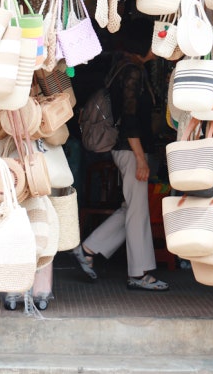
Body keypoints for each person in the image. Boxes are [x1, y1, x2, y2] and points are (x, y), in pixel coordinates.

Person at [72, 16, 168, 291]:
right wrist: (140, 158)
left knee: (131, 208)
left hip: (127, 150)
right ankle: (139, 274)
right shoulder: (132, 73)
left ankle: (89, 248)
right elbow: (129, 121)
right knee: (137, 212)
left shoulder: (123, 69)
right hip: (130, 151)